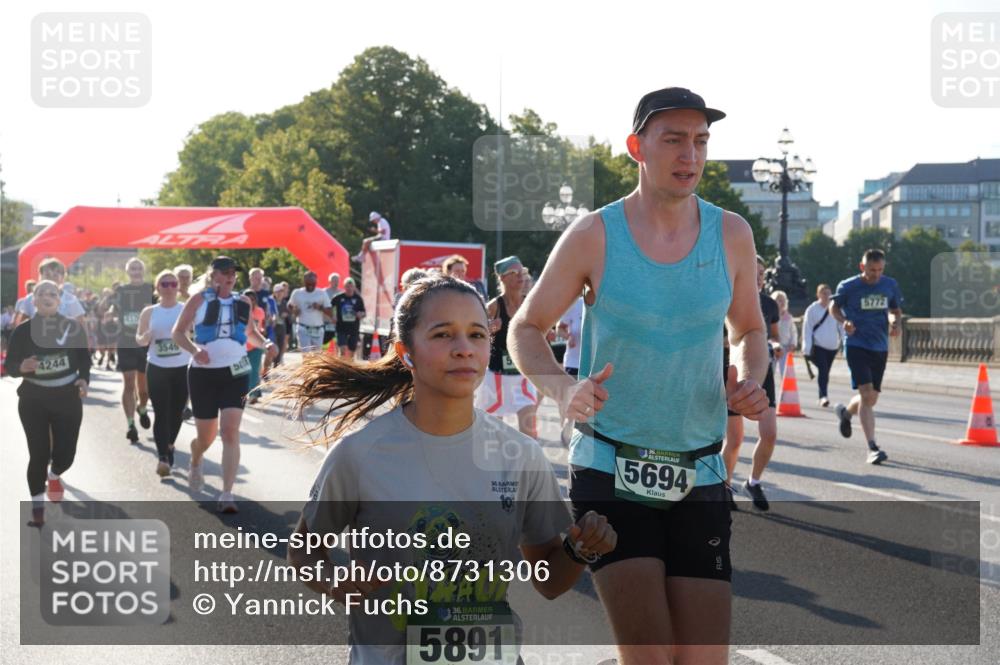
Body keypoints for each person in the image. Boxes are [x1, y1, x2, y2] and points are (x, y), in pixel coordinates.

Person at [508, 87, 769, 664]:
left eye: (700, 141)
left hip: (699, 467)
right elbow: (525, 328)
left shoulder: (731, 234)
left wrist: (750, 380)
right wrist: (561, 388)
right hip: (610, 462)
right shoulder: (594, 235)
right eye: (673, 139)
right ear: (637, 148)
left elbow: (749, 330)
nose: (691, 155)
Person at [274, 274, 616, 664]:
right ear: (406, 352)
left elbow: (550, 582)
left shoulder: (519, 455)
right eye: (442, 335)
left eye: (476, 335)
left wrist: (580, 549)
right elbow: (303, 549)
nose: (464, 350)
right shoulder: (359, 454)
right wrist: (334, 581)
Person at [171, 256, 276, 512]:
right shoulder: (199, 299)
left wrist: (267, 344)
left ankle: (227, 493)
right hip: (203, 374)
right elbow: (178, 332)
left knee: (230, 431)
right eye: (225, 272)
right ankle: (196, 459)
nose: (230, 276)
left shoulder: (243, 302)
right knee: (205, 436)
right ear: (214, 275)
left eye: (233, 272)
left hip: (235, 372)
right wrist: (195, 350)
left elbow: (250, 333)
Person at [6, 281, 91, 527]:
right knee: (38, 454)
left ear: (59, 300)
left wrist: (84, 379)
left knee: (66, 455)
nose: (47, 297)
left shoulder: (72, 327)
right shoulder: (22, 331)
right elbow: (10, 365)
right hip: (34, 399)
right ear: (33, 301)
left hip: (67, 397)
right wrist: (21, 367)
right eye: (41, 293)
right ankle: (37, 510)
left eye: (52, 293)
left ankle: (54, 475)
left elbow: (84, 358)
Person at [831, 248, 903, 465]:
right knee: (865, 392)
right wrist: (844, 321)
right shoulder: (848, 286)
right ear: (862, 267)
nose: (876, 274)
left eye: (880, 270)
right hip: (856, 344)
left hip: (880, 346)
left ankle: (845, 413)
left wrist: (895, 322)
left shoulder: (889, 285)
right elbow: (834, 308)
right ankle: (872, 447)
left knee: (870, 398)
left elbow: (895, 310)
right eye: (872, 270)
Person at [722, 257, 781, 512]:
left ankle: (753, 481)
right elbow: (717, 338)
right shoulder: (727, 300)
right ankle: (724, 487)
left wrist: (775, 345)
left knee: (769, 434)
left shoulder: (768, 304)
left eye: (762, 274)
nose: (758, 278)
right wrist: (742, 341)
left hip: (763, 371)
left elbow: (775, 335)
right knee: (734, 440)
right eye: (754, 273)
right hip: (733, 372)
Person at [475, 256, 540, 439]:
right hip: (496, 377)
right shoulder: (494, 306)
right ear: (502, 278)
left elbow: (543, 329)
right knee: (492, 432)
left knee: (530, 432)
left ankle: (527, 466)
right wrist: (487, 329)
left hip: (523, 376)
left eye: (522, 272)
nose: (520, 276)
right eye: (514, 272)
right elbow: (473, 334)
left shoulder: (530, 304)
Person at [136, 270, 191, 476]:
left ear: (178, 287)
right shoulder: (149, 312)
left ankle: (169, 445)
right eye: (164, 284)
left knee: (176, 413)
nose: (169, 288)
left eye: (173, 284)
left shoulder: (185, 309)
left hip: (182, 366)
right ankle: (163, 458)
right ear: (158, 288)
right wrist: (145, 337)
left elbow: (197, 331)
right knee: (161, 412)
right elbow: (139, 338)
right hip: (157, 367)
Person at [110, 258, 155, 444]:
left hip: (145, 343)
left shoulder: (150, 289)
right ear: (127, 271)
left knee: (144, 390)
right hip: (126, 342)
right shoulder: (120, 290)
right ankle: (130, 425)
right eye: (132, 268)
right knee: (129, 384)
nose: (136, 271)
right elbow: (114, 309)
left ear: (142, 271)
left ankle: (142, 408)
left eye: (139, 268)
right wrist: (112, 315)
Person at [14, 259, 86, 328]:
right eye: (47, 275)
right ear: (40, 276)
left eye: (55, 275)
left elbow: (82, 326)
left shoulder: (71, 300)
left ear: (62, 278)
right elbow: (20, 325)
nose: (51, 278)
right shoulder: (30, 299)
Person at [802, 283, 842, 407]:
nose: (827, 296)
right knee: (823, 370)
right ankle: (823, 396)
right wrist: (806, 347)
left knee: (825, 372)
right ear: (818, 294)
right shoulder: (812, 309)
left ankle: (822, 394)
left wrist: (845, 342)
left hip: (832, 346)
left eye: (829, 293)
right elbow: (807, 329)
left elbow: (841, 325)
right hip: (818, 346)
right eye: (824, 293)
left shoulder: (835, 308)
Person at [289, 271, 332, 352]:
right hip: (303, 328)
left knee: (317, 357)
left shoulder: (321, 293)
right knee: (306, 354)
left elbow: (330, 312)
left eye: (313, 283)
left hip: (318, 329)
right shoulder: (297, 293)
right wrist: (294, 309)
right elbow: (289, 305)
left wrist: (319, 307)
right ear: (304, 281)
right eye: (308, 283)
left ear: (316, 282)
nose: (310, 286)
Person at [330, 278, 366, 360]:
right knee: (342, 349)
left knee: (351, 352)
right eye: (347, 287)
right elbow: (329, 306)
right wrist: (333, 316)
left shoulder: (358, 299)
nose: (349, 288)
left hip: (354, 328)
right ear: (344, 287)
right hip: (341, 327)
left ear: (354, 287)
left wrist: (360, 314)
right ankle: (341, 366)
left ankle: (350, 366)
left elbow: (364, 312)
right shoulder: (338, 297)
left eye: (351, 286)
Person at [244, 290, 266, 404]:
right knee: (243, 372)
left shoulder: (260, 311)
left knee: (254, 371)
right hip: (242, 346)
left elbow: (262, 326)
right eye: (248, 299)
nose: (250, 301)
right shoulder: (239, 310)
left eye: (253, 299)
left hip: (255, 346)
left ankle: (254, 394)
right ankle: (244, 392)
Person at [771, 290, 798, 378]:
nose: (782, 302)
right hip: (773, 347)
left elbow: (793, 332)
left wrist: (793, 343)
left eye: (783, 300)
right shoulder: (771, 316)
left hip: (786, 347)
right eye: (779, 300)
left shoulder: (789, 317)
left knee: (785, 372)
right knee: (771, 371)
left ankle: (785, 390)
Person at [322, 272, 343, 352]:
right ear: (329, 282)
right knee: (324, 345)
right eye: (334, 280)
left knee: (338, 345)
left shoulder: (341, 293)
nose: (336, 282)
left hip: (337, 324)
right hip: (325, 322)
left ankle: (337, 362)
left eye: (337, 280)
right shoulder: (324, 292)